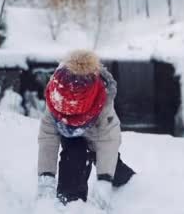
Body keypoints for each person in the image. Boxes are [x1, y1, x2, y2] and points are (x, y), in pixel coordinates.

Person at [36, 50, 135, 209]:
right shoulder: (57, 93)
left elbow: (108, 141)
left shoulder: (104, 104)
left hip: (96, 135)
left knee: (112, 167)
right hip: (69, 137)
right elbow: (48, 136)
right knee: (74, 156)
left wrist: (104, 179)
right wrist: (46, 176)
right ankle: (70, 202)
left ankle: (133, 187)